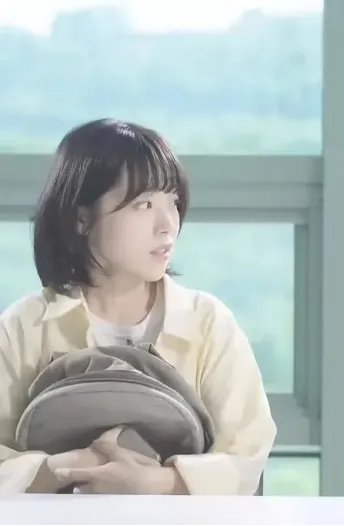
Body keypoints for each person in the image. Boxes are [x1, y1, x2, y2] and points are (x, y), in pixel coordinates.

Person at [0, 118, 277, 494]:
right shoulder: (23, 326)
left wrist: (157, 482)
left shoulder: (208, 323)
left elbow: (247, 454)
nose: (167, 226)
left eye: (173, 203)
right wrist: (69, 467)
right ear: (82, 219)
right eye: (144, 204)